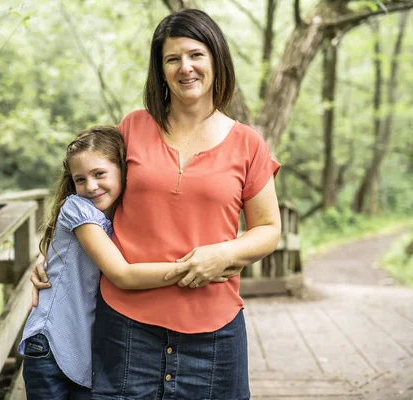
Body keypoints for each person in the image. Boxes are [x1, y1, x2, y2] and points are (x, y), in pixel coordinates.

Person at [32, 8, 281, 400]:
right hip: (127, 328)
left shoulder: (248, 143)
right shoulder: (131, 129)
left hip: (214, 330)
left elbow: (268, 230)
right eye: (172, 58)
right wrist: (57, 256)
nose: (186, 67)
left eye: (196, 54)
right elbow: (88, 198)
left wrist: (224, 253)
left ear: (216, 58)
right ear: (160, 70)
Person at [19, 126, 192, 400]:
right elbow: (121, 274)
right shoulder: (78, 208)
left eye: (100, 174)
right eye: (80, 179)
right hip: (50, 344)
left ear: (123, 170)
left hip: (84, 352)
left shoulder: (123, 217)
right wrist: (191, 269)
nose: (90, 186)